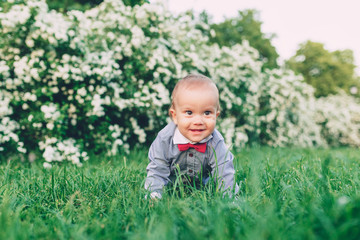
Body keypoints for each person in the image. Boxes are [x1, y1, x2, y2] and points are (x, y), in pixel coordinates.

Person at [144, 73, 239, 199]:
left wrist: (230, 199)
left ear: (216, 116)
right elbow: (157, 169)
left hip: (204, 189)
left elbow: (224, 173)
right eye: (189, 112)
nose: (198, 121)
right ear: (175, 116)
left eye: (207, 113)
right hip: (171, 187)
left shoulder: (216, 142)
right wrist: (154, 194)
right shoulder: (164, 140)